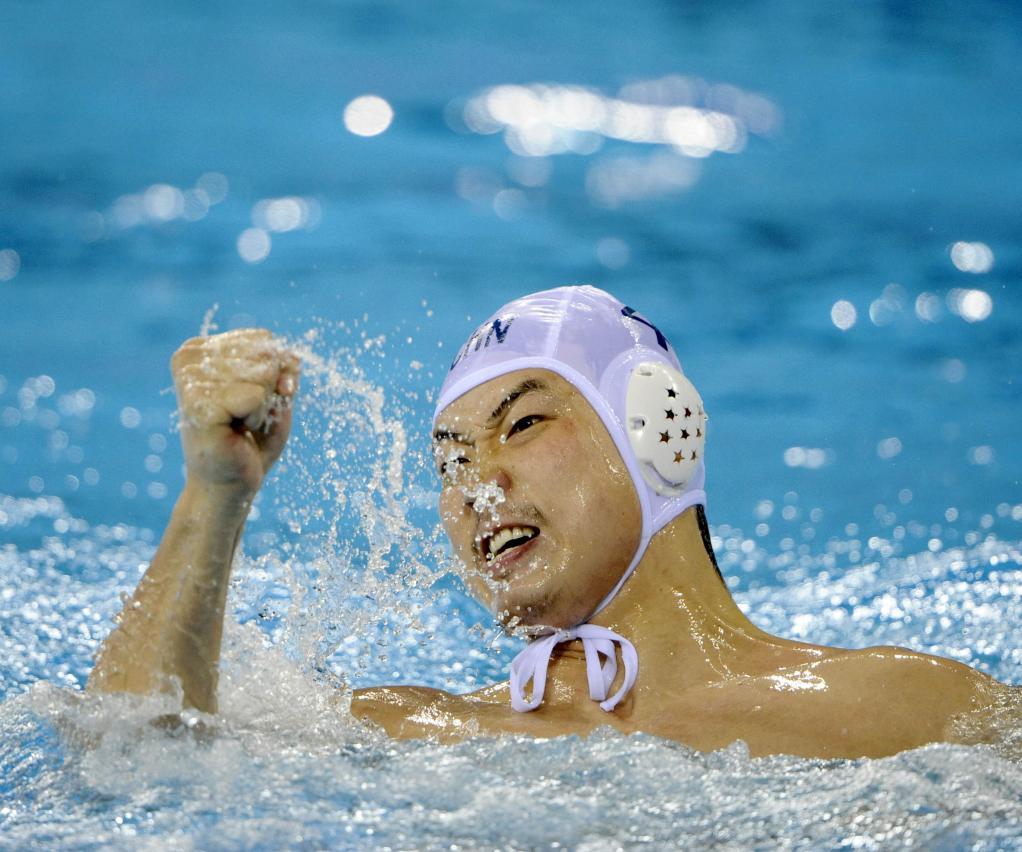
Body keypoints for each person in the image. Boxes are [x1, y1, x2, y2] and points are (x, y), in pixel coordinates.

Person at [88, 286, 1013, 759]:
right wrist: (213, 497)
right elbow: (126, 756)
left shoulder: (905, 710)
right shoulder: (414, 732)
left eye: (524, 424)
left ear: (657, 428)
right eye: (449, 464)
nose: (476, 486)